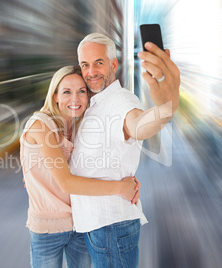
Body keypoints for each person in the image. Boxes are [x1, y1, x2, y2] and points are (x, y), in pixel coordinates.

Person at [70, 33, 180, 267]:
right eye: (85, 65)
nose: (91, 72)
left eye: (98, 63)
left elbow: (139, 126)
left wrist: (166, 107)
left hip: (110, 226)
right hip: (95, 224)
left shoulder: (121, 101)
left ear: (113, 64)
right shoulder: (93, 103)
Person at [20, 65, 143, 268]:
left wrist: (128, 177)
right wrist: (120, 188)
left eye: (81, 91)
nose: (75, 98)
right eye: (67, 92)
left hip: (80, 224)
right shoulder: (41, 124)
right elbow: (66, 183)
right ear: (55, 96)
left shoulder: (80, 127)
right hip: (47, 230)